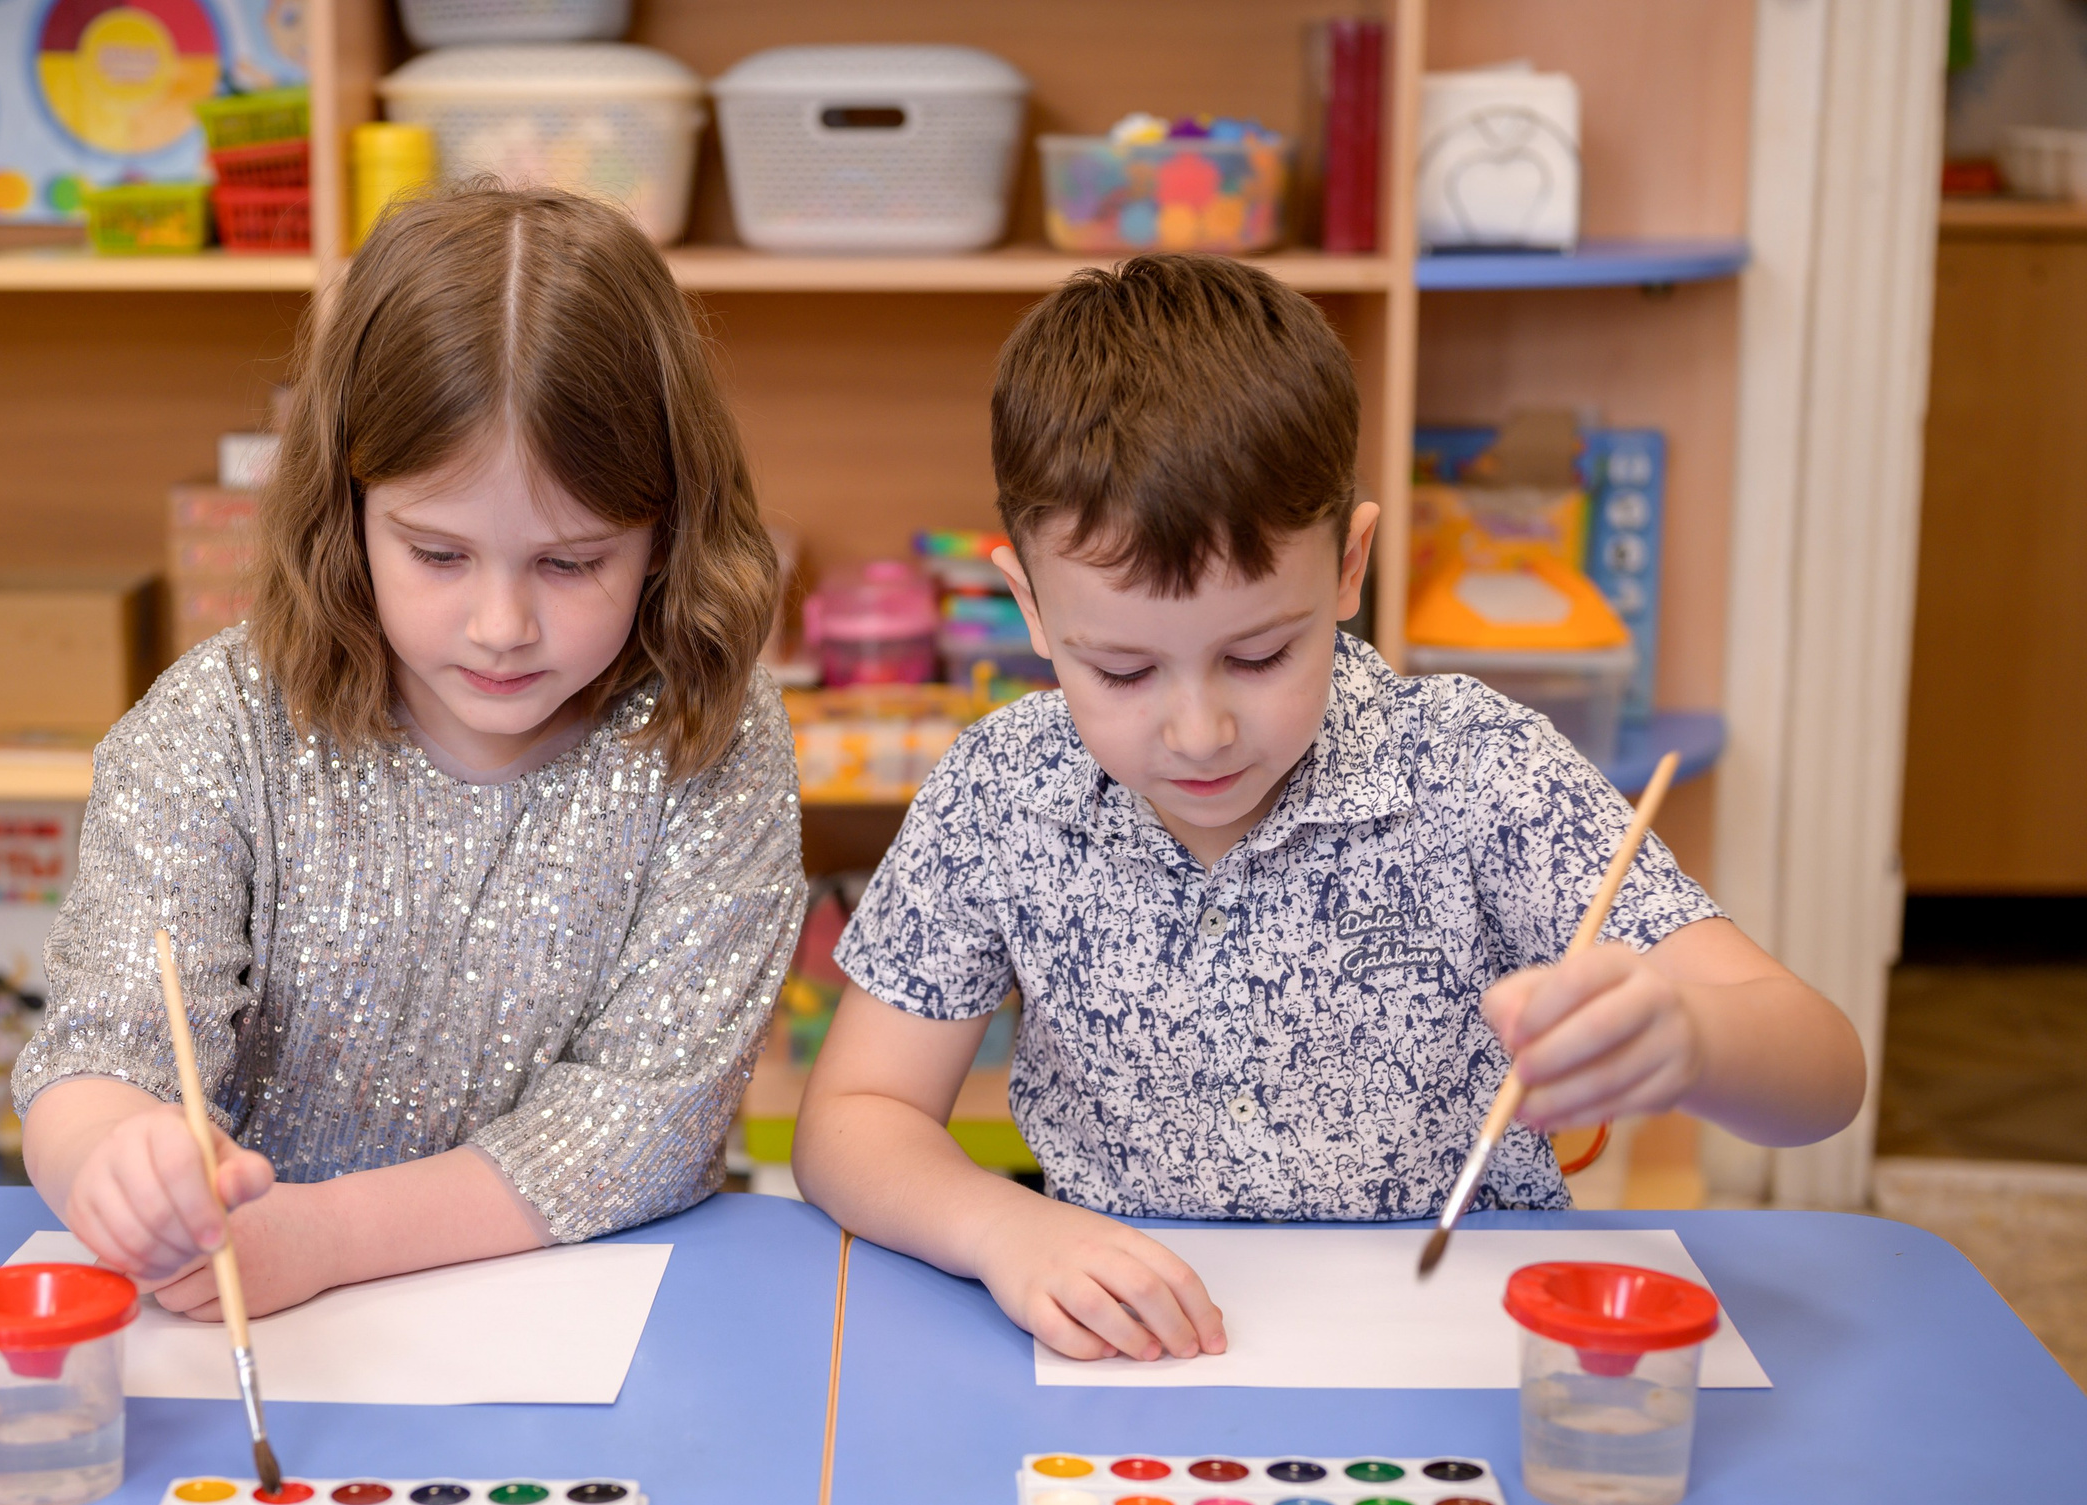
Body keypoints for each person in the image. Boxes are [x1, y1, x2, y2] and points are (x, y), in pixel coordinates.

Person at [790, 256, 1864, 1364]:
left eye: (1260, 654)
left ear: (1349, 565)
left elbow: (1823, 1076)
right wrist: (1002, 1227)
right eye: (1119, 670)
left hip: (1458, 1354)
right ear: (1028, 604)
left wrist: (1692, 1040)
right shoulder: (999, 791)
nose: (1198, 730)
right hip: (1140, 1366)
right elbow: (852, 1118)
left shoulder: (1474, 767)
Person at [15, 186, 805, 1319]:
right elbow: (100, 1053)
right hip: (242, 1318)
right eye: (436, 552)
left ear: (668, 532)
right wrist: (116, 1156)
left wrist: (330, 1236)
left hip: (567, 1318)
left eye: (572, 562)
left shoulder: (707, 729)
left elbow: (646, 1120)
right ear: (346, 508)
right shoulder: (217, 724)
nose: (500, 626)